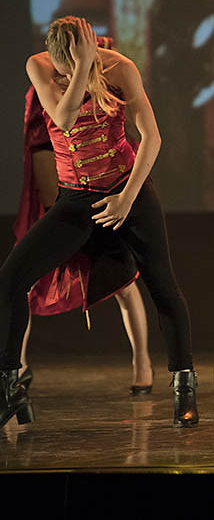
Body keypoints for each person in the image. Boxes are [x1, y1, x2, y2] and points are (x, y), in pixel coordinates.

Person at [1, 16, 198, 428]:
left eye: (71, 69)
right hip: (75, 197)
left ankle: (184, 388)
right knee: (10, 281)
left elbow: (152, 137)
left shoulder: (121, 68)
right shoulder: (39, 65)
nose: (64, 76)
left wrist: (126, 199)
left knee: (163, 286)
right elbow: (64, 119)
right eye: (62, 70)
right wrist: (78, 69)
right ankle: (9, 388)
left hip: (126, 188)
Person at [14, 36, 153, 397]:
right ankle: (17, 366)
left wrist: (124, 195)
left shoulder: (109, 71)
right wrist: (54, 205)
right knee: (23, 281)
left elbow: (140, 135)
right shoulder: (42, 75)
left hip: (104, 189)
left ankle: (143, 363)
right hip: (65, 190)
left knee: (123, 281)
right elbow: (47, 137)